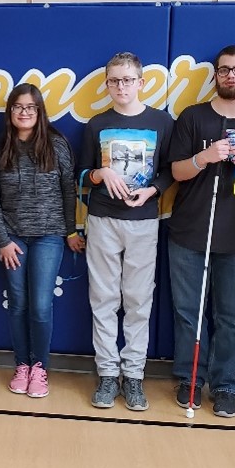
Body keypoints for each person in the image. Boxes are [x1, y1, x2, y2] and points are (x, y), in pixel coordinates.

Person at [167, 45, 235, 417]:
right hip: (188, 232)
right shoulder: (192, 117)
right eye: (225, 69)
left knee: (232, 317)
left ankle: (226, 384)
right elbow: (176, 173)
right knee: (188, 313)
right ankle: (190, 377)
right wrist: (204, 157)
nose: (231, 75)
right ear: (216, 75)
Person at [78, 52, 174, 411]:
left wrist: (153, 189)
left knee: (138, 302)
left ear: (141, 83)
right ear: (106, 84)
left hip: (144, 223)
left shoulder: (162, 123)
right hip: (102, 219)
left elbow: (168, 171)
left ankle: (133, 376)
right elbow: (82, 173)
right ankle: (106, 374)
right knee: (102, 300)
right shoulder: (95, 125)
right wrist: (99, 175)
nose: (121, 86)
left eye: (128, 80)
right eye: (114, 80)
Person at [0, 83, 81, 399]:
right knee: (18, 303)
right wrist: (2, 240)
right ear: (10, 112)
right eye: (17, 107)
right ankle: (22, 364)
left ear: (39, 112)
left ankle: (40, 367)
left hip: (49, 236)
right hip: (13, 238)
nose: (24, 113)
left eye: (30, 107)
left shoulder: (57, 144)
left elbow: (69, 190)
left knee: (40, 305)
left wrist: (69, 231)